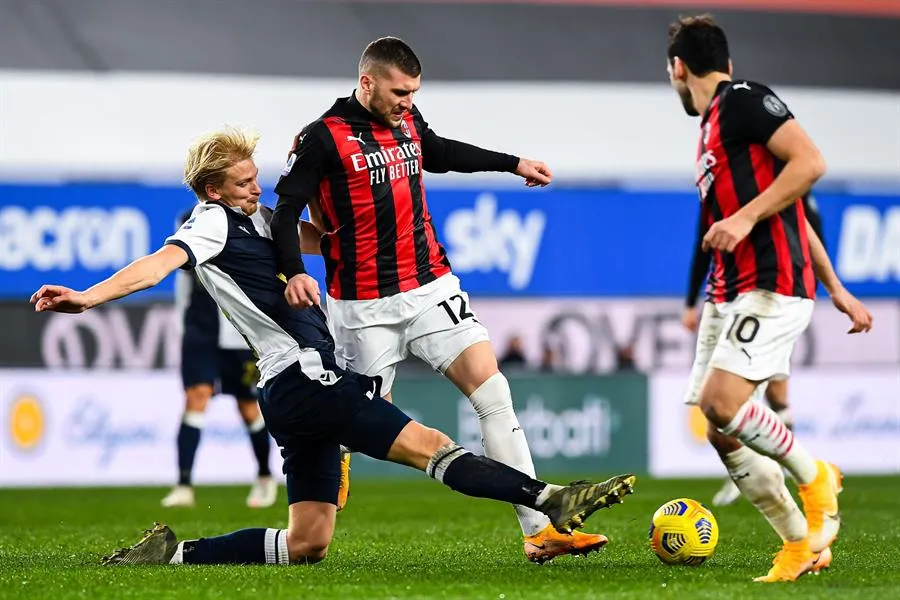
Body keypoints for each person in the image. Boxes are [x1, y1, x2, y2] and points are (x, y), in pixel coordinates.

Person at [30, 127, 636, 566]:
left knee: (307, 543)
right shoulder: (210, 224)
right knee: (433, 444)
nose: (255, 186)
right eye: (243, 181)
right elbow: (157, 264)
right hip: (306, 378)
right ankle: (549, 500)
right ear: (212, 188)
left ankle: (174, 554)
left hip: (290, 393)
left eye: (255, 177)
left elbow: (325, 238)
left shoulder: (260, 220)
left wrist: (342, 190)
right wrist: (87, 297)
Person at [269, 36, 609, 564]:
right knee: (365, 420)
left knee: (493, 393)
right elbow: (286, 211)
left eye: (413, 92)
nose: (407, 101)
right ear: (367, 83)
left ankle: (541, 531)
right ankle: (333, 449)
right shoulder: (322, 139)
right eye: (399, 92)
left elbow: (441, 152)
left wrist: (513, 162)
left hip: (430, 285)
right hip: (363, 306)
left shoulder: (407, 120)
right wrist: (293, 270)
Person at [667, 15, 873, 582]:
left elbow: (812, 165)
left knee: (723, 404)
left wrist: (743, 216)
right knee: (719, 428)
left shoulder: (744, 100)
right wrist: (837, 288)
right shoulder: (710, 130)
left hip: (770, 283)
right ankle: (799, 545)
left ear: (679, 68)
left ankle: (816, 476)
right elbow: (792, 209)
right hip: (728, 291)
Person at [681, 194, 825, 507]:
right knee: (731, 404)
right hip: (731, 298)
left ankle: (790, 469)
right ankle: (757, 470)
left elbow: (811, 249)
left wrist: (819, 294)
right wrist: (691, 301)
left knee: (772, 394)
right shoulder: (727, 190)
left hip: (776, 298)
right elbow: (703, 246)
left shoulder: (797, 202)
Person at [161, 207, 276, 509]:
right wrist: (184, 325)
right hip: (201, 330)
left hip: (240, 335)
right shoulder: (186, 218)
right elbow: (182, 280)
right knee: (196, 397)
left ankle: (265, 477)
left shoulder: (248, 220)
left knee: (249, 407)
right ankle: (184, 485)